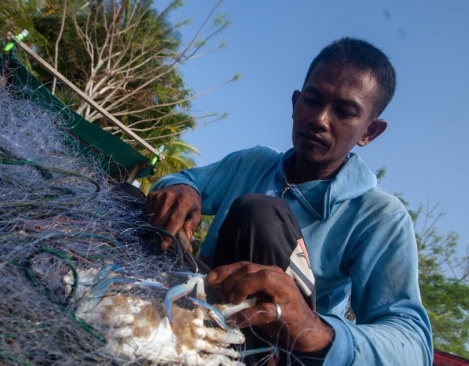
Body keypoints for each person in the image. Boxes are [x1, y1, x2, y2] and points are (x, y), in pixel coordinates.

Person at [146, 37, 433, 365]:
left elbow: (414, 346)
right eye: (312, 100)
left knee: (260, 215)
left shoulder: (379, 216)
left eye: (345, 111)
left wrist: (313, 328)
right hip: (196, 306)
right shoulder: (252, 162)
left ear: (370, 131)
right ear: (296, 103)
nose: (320, 119)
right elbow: (182, 180)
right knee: (127, 199)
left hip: (277, 352)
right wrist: (184, 191)